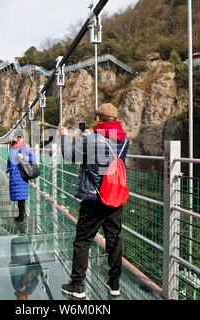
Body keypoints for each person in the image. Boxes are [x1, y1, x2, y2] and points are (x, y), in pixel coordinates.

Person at [58, 103, 129, 299]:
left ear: (99, 118)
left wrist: (64, 136)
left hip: (94, 198)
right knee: (114, 240)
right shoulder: (124, 139)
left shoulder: (92, 139)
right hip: (114, 196)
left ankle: (77, 284)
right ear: (115, 119)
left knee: (83, 241)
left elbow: (69, 155)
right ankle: (114, 284)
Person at [6, 134, 36, 222]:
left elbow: (33, 158)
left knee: (21, 195)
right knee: (18, 195)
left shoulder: (25, 146)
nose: (16, 138)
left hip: (21, 174)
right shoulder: (13, 147)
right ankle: (21, 214)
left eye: (18, 137)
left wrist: (23, 157)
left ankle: (21, 216)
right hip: (13, 175)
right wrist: (8, 170)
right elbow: (9, 160)